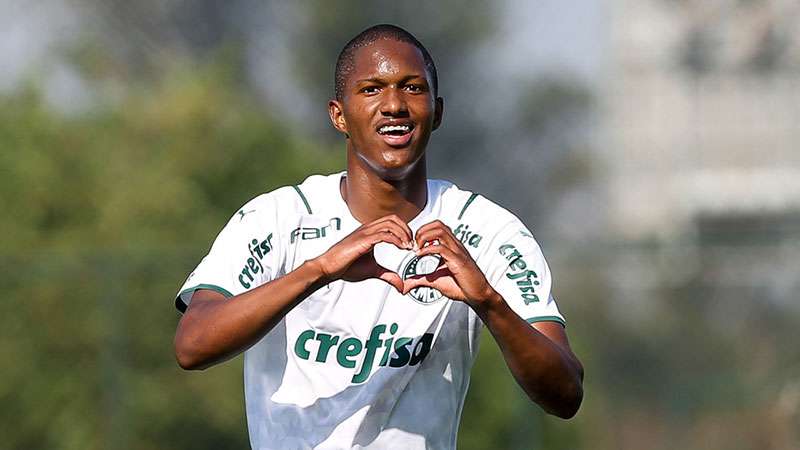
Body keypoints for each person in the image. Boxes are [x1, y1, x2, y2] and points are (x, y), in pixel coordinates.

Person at [173, 24, 583, 450]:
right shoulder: (277, 218)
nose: (394, 105)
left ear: (437, 112)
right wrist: (319, 270)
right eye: (371, 89)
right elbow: (193, 344)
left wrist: (488, 302)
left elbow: (566, 393)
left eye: (412, 88)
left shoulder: (488, 230)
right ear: (338, 114)